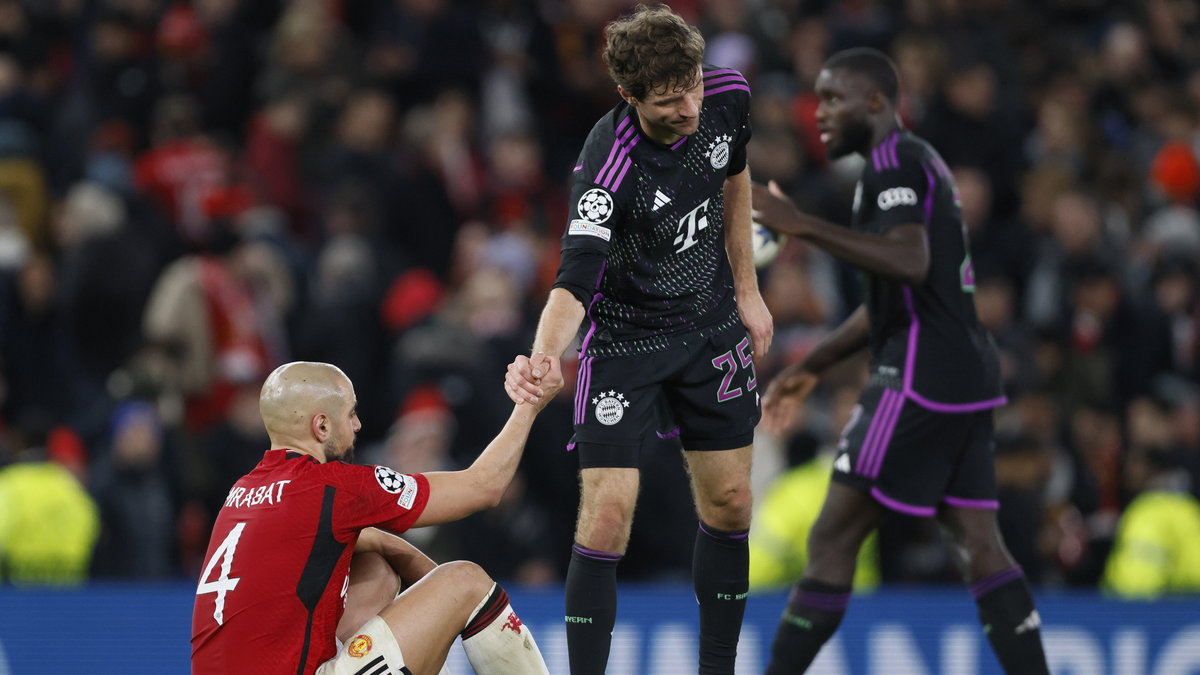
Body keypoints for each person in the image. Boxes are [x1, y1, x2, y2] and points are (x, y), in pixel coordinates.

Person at [750, 48, 1050, 674]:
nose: (821, 113)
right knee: (979, 543)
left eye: (834, 98)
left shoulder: (894, 164)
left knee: (833, 536)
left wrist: (798, 223)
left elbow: (908, 262)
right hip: (961, 375)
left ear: (877, 103)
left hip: (915, 379)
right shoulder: (911, 164)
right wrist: (817, 363)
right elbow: (903, 293)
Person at [503, 5, 773, 673]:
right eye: (666, 100)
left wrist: (747, 290)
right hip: (625, 341)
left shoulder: (728, 95)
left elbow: (733, 176)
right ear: (628, 96)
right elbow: (573, 282)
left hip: (711, 325)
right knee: (605, 516)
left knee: (733, 504)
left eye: (691, 87)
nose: (687, 107)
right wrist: (545, 355)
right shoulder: (608, 165)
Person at [191, 360, 559, 675]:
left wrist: (446, 614)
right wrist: (530, 404)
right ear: (321, 427)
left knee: (375, 571)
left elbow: (376, 540)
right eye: (350, 414)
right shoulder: (330, 488)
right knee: (464, 580)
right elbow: (484, 487)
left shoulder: (244, 493)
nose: (358, 425)